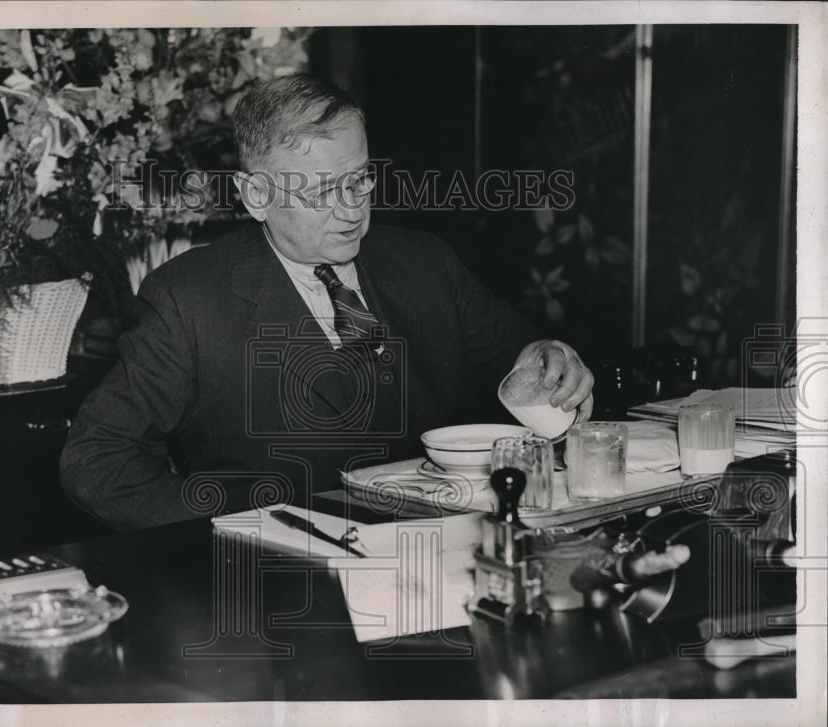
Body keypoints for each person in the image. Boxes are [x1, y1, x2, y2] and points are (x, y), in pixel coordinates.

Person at [60, 74, 595, 531]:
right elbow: (97, 461)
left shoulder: (424, 261)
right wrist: (238, 526)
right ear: (257, 197)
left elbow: (522, 356)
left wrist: (550, 356)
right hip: (286, 587)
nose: (351, 210)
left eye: (360, 179)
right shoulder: (188, 299)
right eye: (321, 192)